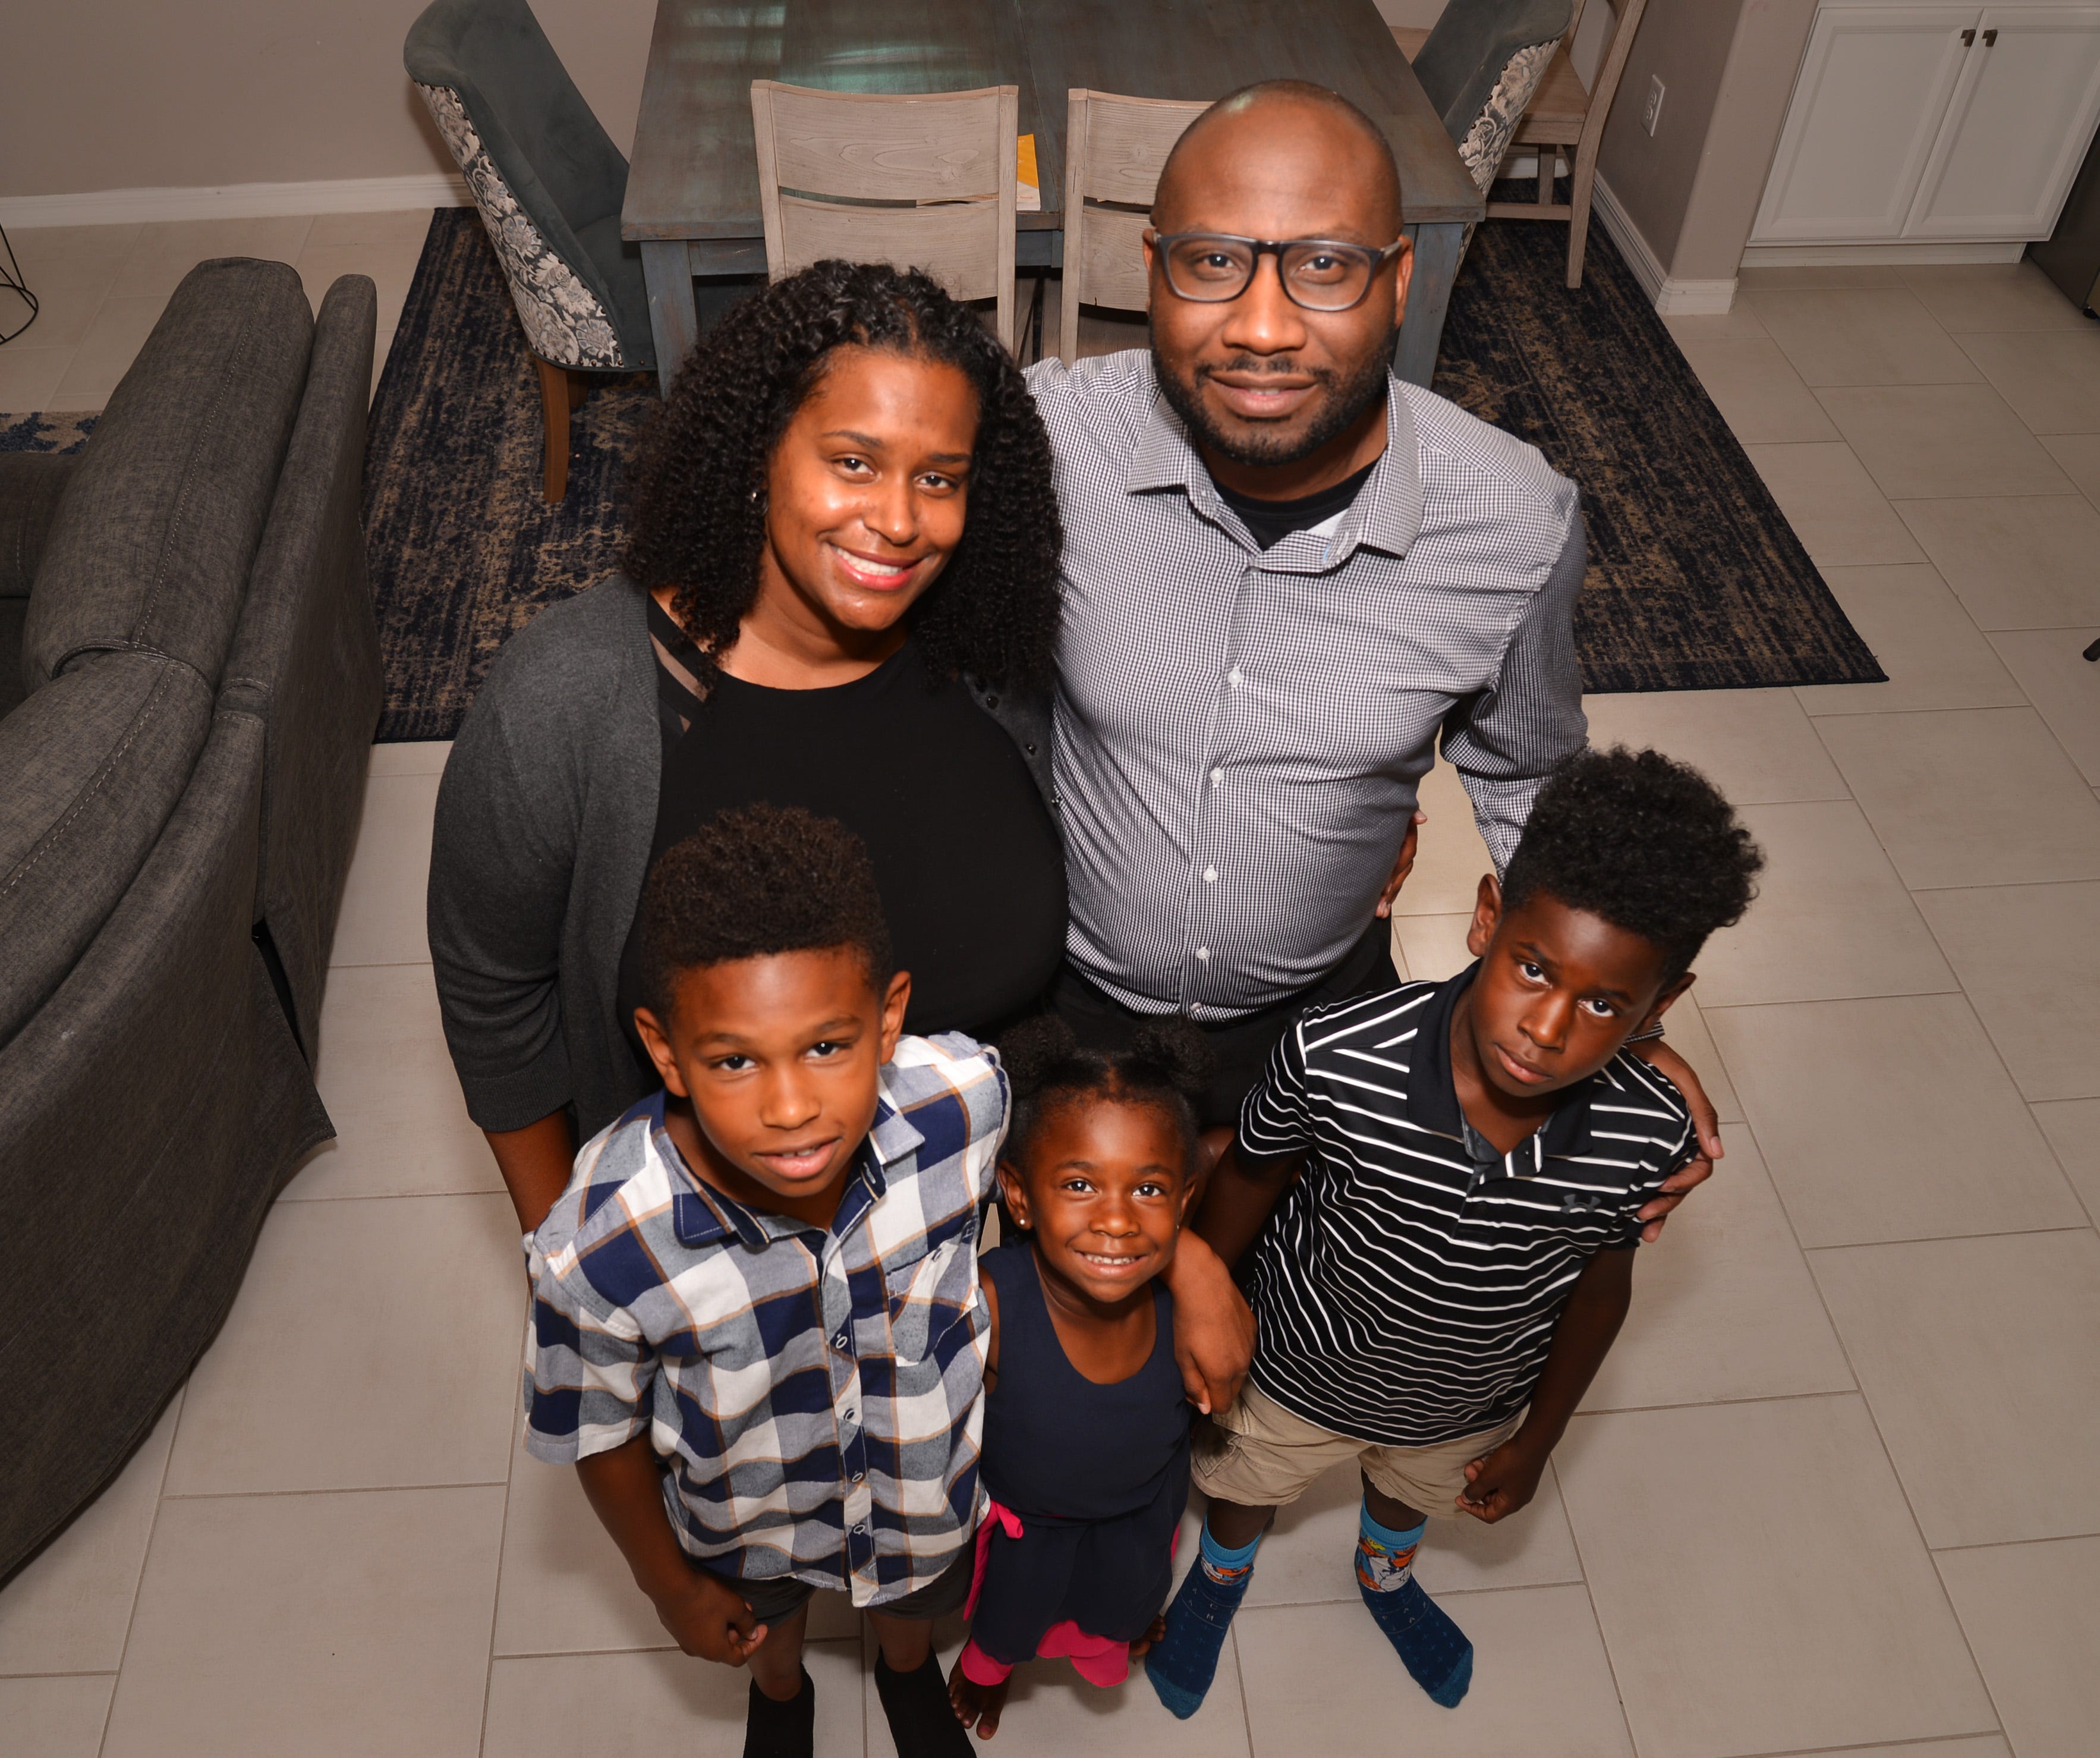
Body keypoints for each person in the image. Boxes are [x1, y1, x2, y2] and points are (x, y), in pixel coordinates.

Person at [433, 260, 1252, 1413]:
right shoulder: (571, 700)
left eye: (941, 478)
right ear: (760, 451)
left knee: (940, 1568)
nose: (899, 521)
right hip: (723, 1297)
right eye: (852, 461)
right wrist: (573, 1260)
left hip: (984, 1278)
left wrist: (1173, 1245)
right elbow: (492, 993)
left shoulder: (986, 662)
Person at [1022, 79, 1725, 1226]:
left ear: (1399, 280)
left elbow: (1523, 773)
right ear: (1150, 266)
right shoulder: (1043, 442)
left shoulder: (1513, 524)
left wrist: (1620, 1018)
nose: (1260, 326)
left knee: (1268, 1299)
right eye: (1211, 262)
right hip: (1059, 1007)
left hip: (1319, 1022)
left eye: (1324, 266)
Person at [1141, 747, 1765, 1718]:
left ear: (1661, 1007)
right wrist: (1195, 1312)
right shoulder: (1334, 1054)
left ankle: (1385, 1576)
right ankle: (1220, 1577)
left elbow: (1601, 1288)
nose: (1547, 1027)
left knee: (1410, 1496)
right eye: (1530, 968)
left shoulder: (1647, 1132)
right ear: (1486, 918)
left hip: (1467, 1401)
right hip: (1292, 1365)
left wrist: (1539, 1436)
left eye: (1603, 1003)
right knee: (1245, 1482)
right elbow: (1249, 1178)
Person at [523, 804, 995, 1758]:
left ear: (889, 1017)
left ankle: (906, 1673)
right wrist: (671, 1584)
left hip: (919, 1489)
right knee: (766, 1632)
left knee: (913, 1606)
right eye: (734, 1060)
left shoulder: (965, 1101)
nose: (790, 1108)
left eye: (827, 1045)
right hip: (748, 1517)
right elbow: (600, 1434)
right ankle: (782, 1696)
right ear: (666, 1052)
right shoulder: (599, 1241)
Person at [947, 1017, 1208, 1740]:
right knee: (1009, 1618)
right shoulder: (991, 1300)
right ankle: (986, 1674)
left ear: (1184, 1202)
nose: (1118, 1219)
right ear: (1019, 1195)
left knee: (1123, 1603)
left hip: (1138, 1517)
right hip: (1030, 1531)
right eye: (1080, 1183)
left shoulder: (1192, 1304)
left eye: (1148, 1187)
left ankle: (1115, 1632)